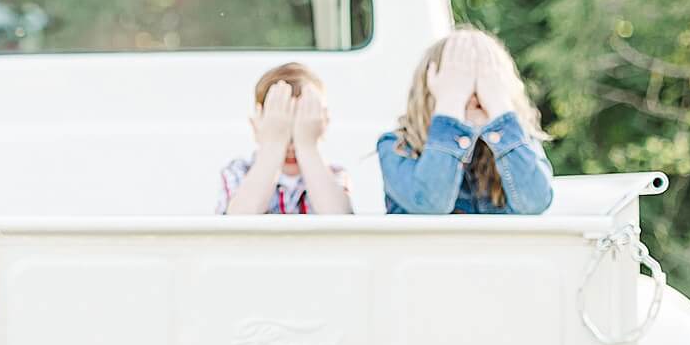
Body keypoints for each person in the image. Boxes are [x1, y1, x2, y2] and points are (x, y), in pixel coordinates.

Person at [377, 26, 554, 214]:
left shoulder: (520, 144)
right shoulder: (396, 146)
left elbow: (535, 203)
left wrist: (499, 108)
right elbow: (430, 203)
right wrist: (451, 104)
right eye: (459, 80)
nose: (473, 92)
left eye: (485, 80)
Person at [216, 62, 353, 215]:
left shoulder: (333, 175)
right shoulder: (238, 171)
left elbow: (341, 220)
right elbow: (237, 221)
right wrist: (274, 145)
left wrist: (307, 146)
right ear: (256, 126)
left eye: (300, 131)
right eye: (281, 130)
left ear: (322, 126)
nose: (291, 145)